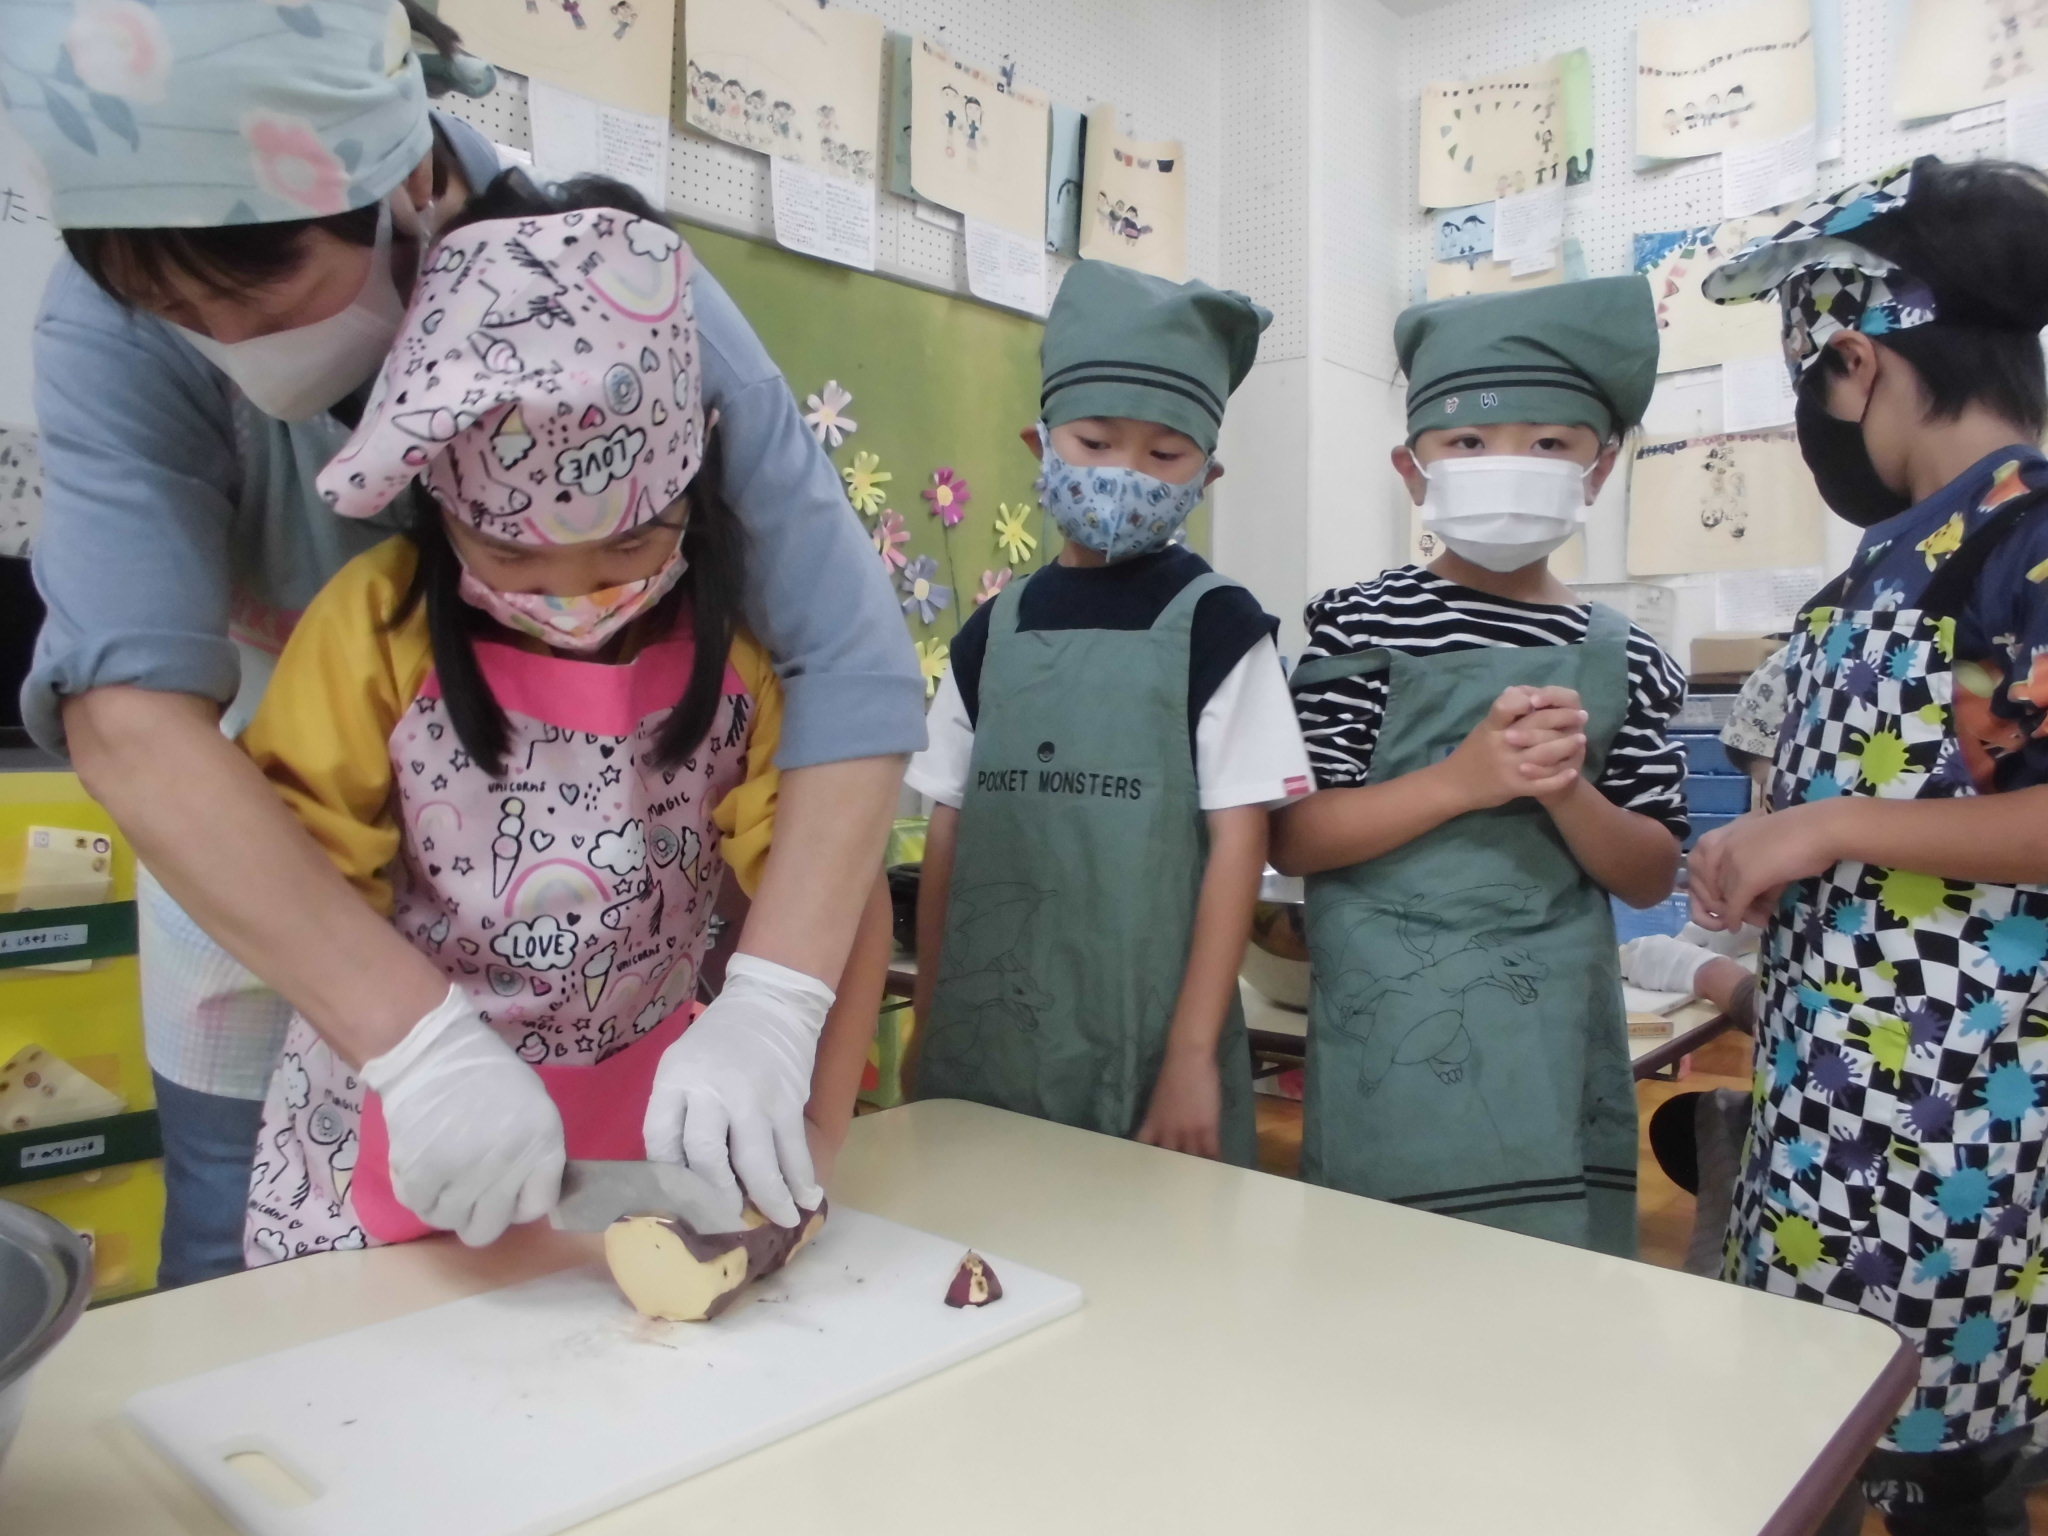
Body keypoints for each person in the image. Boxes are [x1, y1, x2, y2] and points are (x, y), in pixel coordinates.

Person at [6, 0, 919, 1285]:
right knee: (254, 1279)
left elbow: (850, 666)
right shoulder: (116, 336)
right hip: (267, 860)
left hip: (606, 959)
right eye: (170, 309)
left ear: (406, 182)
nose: (221, 345)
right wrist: (416, 1042)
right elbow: (130, 715)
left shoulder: (618, 300)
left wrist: (773, 1006)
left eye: (259, 297)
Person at [236, 178, 887, 1260]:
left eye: (630, 545)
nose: (576, 594)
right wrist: (419, 1057)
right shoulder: (370, 633)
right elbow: (299, 881)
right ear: (443, 498)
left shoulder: (742, 662)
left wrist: (808, 1117)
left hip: (634, 1152)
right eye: (512, 554)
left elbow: (833, 886)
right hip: (400, 1141)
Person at [1694, 156, 2048, 1536]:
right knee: (1808, 1435)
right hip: (1821, 1109)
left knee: (1942, 1472)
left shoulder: (2024, 542)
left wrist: (1826, 824)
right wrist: (1766, 851)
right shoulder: (1882, 567)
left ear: (1854, 363)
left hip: (1959, 1126)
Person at [1272, 276, 1686, 1255]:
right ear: (1412, 470)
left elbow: (1650, 871)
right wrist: (1461, 782)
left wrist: (1566, 791)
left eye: (1547, 444)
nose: (1506, 465)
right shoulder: (1361, 624)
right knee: (1387, 1266)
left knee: (1547, 1267)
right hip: (1393, 1022)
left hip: (1548, 1028)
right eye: (1467, 442)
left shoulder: (1625, 655)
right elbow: (1295, 839)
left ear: (1598, 468)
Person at [906, 261, 1311, 1164]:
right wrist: (929, 1016)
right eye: (1094, 442)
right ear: (1041, 445)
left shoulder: (1220, 629)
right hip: (987, 1043)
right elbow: (947, 834)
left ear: (1206, 475)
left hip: (1153, 1048)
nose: (1124, 473)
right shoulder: (990, 634)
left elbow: (1239, 846)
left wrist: (1193, 1057)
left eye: (1164, 456)